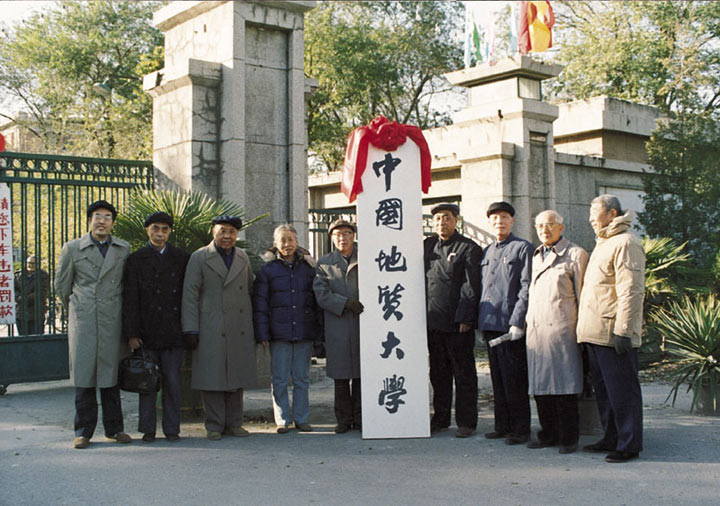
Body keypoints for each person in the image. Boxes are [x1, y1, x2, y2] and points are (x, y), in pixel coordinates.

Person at [55, 200, 132, 449]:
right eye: (97, 216)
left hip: (112, 318)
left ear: (112, 222)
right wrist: (82, 305)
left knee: (111, 377)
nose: (102, 221)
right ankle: (83, 432)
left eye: (107, 216)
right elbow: (62, 286)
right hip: (85, 319)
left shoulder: (123, 249)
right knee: (84, 376)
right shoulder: (73, 248)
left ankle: (115, 429)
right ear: (89, 220)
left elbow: (125, 284)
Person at [577, 195, 645, 463]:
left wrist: (624, 330)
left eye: (595, 213)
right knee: (604, 391)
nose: (591, 218)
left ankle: (629, 444)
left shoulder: (626, 242)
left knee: (623, 391)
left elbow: (630, 290)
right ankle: (611, 437)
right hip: (595, 332)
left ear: (612, 213)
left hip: (612, 332)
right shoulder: (605, 242)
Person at [181, 215, 257, 441]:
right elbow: (190, 295)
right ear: (213, 231)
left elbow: (250, 290)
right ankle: (214, 425)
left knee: (236, 376)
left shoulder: (242, 256)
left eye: (232, 232)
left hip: (238, 325)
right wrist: (190, 329)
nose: (227, 236)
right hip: (210, 325)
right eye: (222, 231)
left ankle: (235, 423)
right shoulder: (199, 257)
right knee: (212, 377)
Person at [122, 211, 190, 443]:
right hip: (146, 332)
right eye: (155, 229)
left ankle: (172, 428)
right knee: (147, 381)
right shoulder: (135, 259)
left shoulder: (182, 258)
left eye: (164, 229)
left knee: (172, 381)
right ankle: (147, 428)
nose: (160, 234)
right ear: (147, 230)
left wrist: (188, 329)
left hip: (173, 331)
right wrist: (132, 333)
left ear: (170, 232)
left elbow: (188, 296)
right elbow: (130, 298)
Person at [525, 210, 589, 454]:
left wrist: (582, 330)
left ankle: (569, 437)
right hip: (538, 330)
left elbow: (583, 296)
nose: (544, 229)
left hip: (563, 329)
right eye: (540, 225)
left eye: (550, 225)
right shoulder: (535, 255)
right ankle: (547, 433)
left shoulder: (576, 254)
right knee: (541, 386)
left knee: (564, 386)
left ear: (561, 228)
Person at [253, 224, 321, 433]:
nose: (287, 244)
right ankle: (282, 419)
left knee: (301, 378)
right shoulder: (267, 270)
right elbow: (260, 304)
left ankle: (301, 418)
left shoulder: (309, 269)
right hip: (278, 333)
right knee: (280, 378)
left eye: (290, 239)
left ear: (297, 241)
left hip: (303, 330)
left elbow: (316, 301)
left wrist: (317, 331)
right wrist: (262, 333)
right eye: (282, 240)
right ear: (276, 244)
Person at [423, 203, 482, 438]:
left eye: (446, 218)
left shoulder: (469, 248)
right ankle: (440, 418)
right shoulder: (427, 245)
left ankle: (467, 422)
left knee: (464, 373)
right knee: (438, 373)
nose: (441, 223)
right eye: (437, 219)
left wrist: (466, 317)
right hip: (433, 322)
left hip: (458, 324)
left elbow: (471, 285)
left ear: (456, 220)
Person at [477, 201, 532, 445]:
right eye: (495, 218)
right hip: (490, 323)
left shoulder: (523, 248)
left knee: (514, 379)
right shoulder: (488, 250)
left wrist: (518, 320)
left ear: (512, 221)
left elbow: (526, 286)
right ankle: (502, 425)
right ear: (489, 222)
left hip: (510, 326)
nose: (499, 221)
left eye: (504, 217)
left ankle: (520, 429)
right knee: (498, 378)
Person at [313, 219, 363, 433]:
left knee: (362, 375)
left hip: (363, 323)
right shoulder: (324, 263)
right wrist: (344, 304)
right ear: (331, 238)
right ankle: (343, 420)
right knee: (341, 377)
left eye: (347, 233)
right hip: (338, 324)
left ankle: (362, 418)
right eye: (337, 235)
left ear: (353, 236)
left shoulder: (367, 257)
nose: (342, 238)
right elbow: (321, 294)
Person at [14, 255, 50, 335]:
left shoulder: (43, 275)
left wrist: (25, 299)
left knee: (36, 340)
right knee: (22, 340)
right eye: (29, 263)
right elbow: (14, 289)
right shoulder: (18, 275)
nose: (30, 265)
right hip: (21, 314)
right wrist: (18, 298)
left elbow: (41, 293)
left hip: (36, 314)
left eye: (33, 263)